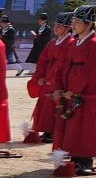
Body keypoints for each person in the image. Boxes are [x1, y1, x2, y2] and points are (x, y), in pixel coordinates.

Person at [53, 6, 96, 175]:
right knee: (73, 127)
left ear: (88, 24)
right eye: (73, 21)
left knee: (86, 128)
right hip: (72, 90)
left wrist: (75, 90)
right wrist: (59, 87)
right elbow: (63, 66)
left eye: (77, 21)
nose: (74, 24)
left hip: (89, 94)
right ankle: (74, 158)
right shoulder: (74, 42)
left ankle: (85, 160)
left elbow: (92, 72)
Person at [27, 14, 72, 143]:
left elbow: (66, 63)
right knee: (45, 104)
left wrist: (54, 77)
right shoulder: (52, 43)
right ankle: (46, 130)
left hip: (59, 78)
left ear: (67, 27)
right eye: (55, 26)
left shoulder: (71, 43)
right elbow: (43, 60)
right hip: (48, 76)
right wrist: (40, 76)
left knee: (56, 104)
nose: (55, 28)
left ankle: (53, 131)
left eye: (59, 26)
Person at [16, 12, 50, 76]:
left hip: (42, 47)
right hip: (36, 46)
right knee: (33, 59)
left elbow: (46, 39)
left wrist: (37, 36)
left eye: (41, 19)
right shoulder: (39, 28)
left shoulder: (47, 28)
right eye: (39, 19)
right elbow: (37, 36)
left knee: (40, 60)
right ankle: (32, 70)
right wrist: (35, 36)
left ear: (45, 20)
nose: (39, 21)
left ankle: (39, 71)